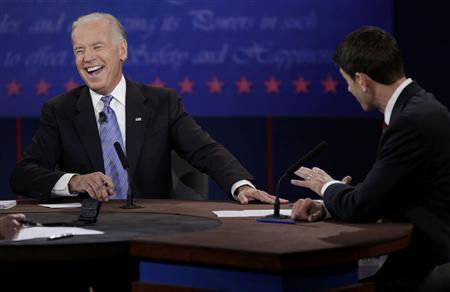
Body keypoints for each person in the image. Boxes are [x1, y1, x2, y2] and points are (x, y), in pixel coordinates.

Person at [10, 12, 284, 206]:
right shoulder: (60, 110)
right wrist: (74, 182)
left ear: (122, 50)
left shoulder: (161, 103)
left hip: (152, 225)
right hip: (89, 231)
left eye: (97, 46)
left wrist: (242, 186)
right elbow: (23, 174)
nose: (87, 58)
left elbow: (204, 150)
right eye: (79, 50)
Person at [290, 26, 450, 290]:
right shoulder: (416, 108)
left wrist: (326, 186)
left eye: (347, 82)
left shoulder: (411, 121)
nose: (349, 90)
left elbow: (362, 206)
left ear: (362, 80)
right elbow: (388, 191)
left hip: (431, 264)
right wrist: (329, 205)